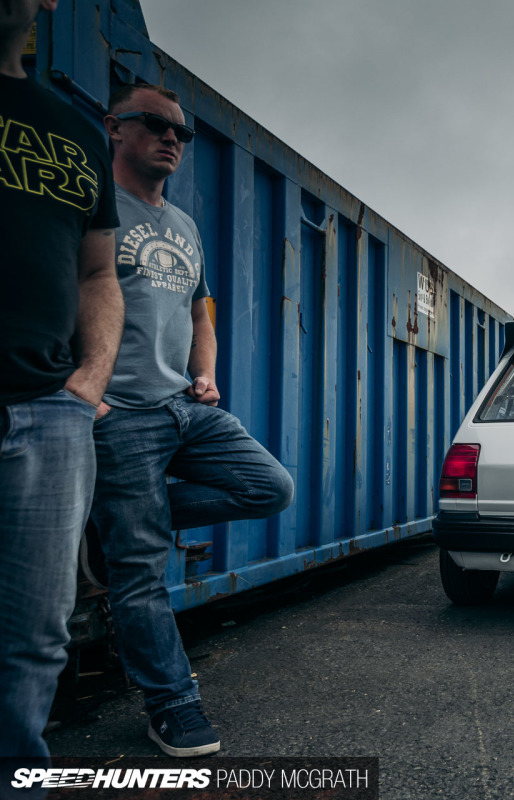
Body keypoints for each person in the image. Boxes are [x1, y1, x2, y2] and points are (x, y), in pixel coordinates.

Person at [91, 83, 294, 758]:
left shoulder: (183, 225)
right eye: (154, 124)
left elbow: (200, 313)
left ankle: (117, 524)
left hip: (185, 404)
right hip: (119, 414)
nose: (172, 137)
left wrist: (205, 372)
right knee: (142, 571)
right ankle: (172, 705)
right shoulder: (89, 203)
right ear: (113, 127)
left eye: (182, 131)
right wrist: (81, 386)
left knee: (270, 488)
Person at [0, 0, 124, 767]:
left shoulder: (73, 129)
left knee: (35, 634)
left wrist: (87, 382)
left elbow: (99, 271)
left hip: (48, 414)